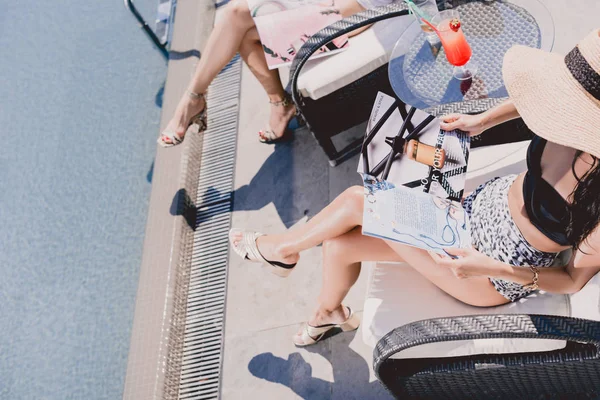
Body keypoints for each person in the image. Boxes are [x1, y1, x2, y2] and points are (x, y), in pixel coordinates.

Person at [230, 29, 600, 346]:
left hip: (489, 271)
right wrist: (482, 120)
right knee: (339, 244)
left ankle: (282, 249)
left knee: (359, 201)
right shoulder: (567, 120)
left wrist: (492, 269)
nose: (558, 108)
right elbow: (536, 101)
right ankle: (329, 313)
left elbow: (572, 280)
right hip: (469, 213)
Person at [158, 0, 380, 147]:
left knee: (239, 21)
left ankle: (193, 99)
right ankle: (279, 105)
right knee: (239, 23)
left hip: (354, 9)